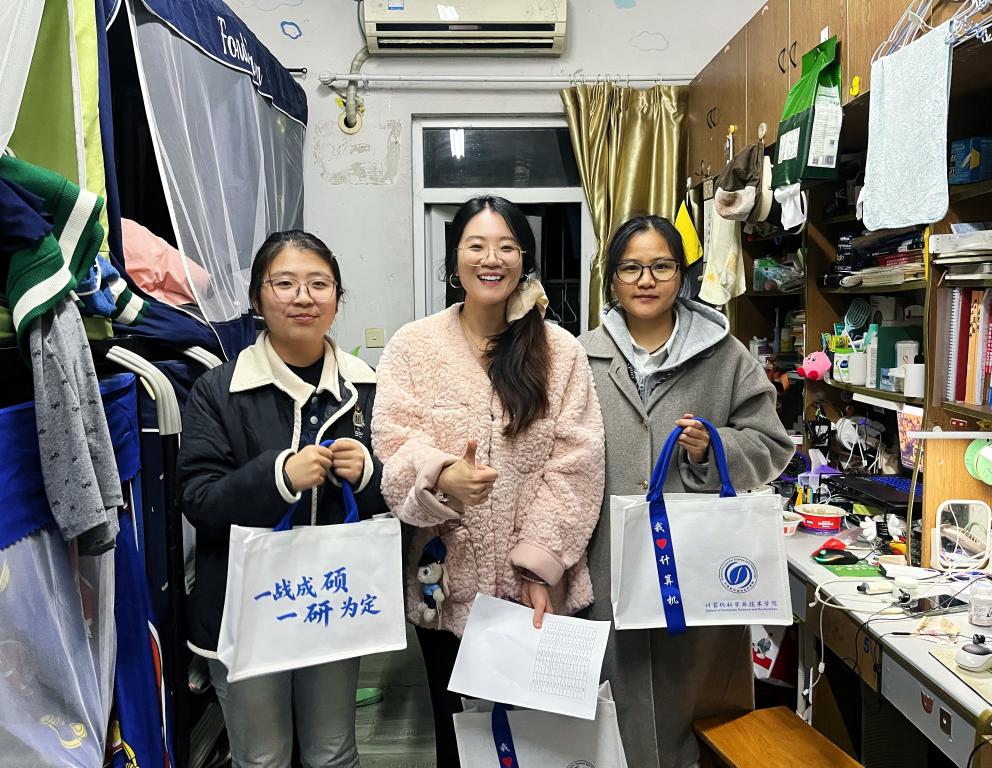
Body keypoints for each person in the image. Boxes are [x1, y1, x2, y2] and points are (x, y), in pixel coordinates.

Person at [372, 196, 605, 768]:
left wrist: (540, 565)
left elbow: (578, 461)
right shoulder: (413, 346)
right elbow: (394, 445)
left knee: (542, 746)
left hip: (538, 594)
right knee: (459, 741)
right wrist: (440, 474)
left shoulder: (560, 352)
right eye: (475, 245)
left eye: (506, 246)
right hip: (447, 590)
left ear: (524, 259)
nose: (490, 259)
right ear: (455, 260)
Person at [579, 215, 794, 768]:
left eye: (661, 266)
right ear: (612, 279)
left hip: (697, 567)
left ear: (682, 276)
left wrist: (712, 450)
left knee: (698, 719)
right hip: (606, 564)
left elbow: (772, 444)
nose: (645, 280)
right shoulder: (580, 357)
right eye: (630, 267)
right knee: (611, 717)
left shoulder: (725, 355)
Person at [177, 230, 386, 768]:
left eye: (319, 284)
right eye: (285, 283)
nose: (303, 297)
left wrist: (368, 474)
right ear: (257, 297)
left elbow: (396, 498)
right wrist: (278, 478)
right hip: (245, 611)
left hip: (331, 601)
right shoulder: (217, 391)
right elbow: (198, 499)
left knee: (332, 753)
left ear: (337, 296)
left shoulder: (366, 389)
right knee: (263, 758)